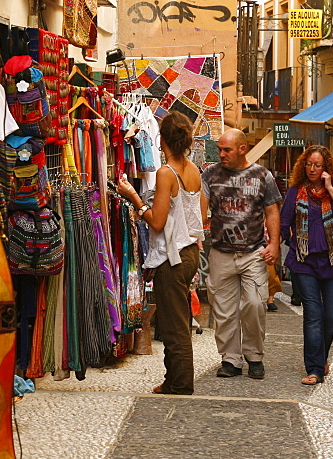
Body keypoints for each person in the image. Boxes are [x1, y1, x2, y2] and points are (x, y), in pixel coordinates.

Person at [118, 112, 203, 395]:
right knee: (175, 320)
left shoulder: (167, 173)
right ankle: (175, 379)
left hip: (173, 257)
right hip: (188, 251)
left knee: (174, 324)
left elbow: (156, 220)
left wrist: (134, 198)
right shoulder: (192, 169)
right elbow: (198, 214)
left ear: (161, 139)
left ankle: (179, 383)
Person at [201, 128, 281, 380]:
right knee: (223, 310)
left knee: (255, 304)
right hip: (220, 252)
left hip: (253, 252)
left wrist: (274, 244)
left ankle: (254, 355)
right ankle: (230, 359)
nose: (221, 154)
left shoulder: (262, 175)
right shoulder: (210, 174)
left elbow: (272, 212)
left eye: (227, 149)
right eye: (220, 149)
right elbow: (200, 211)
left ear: (242, 148)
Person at [280, 145, 333, 385]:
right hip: (304, 261)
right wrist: (290, 241)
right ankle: (315, 369)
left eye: (318, 165)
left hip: (331, 260)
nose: (312, 169)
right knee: (313, 314)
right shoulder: (296, 190)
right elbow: (284, 221)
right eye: (309, 164)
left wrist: (331, 188)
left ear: (327, 168)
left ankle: (321, 356)